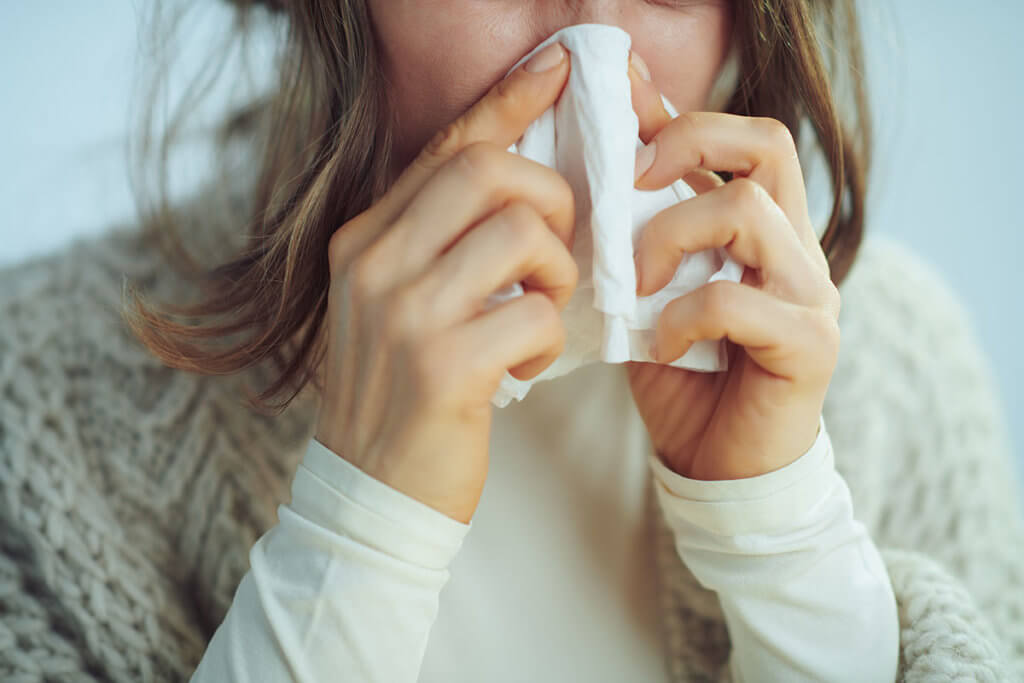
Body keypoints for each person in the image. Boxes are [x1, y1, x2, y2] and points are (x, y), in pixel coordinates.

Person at [1, 1, 1021, 681]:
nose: (590, 60)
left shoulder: (899, 367)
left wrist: (785, 537)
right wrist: (358, 533)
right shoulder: (42, 393)